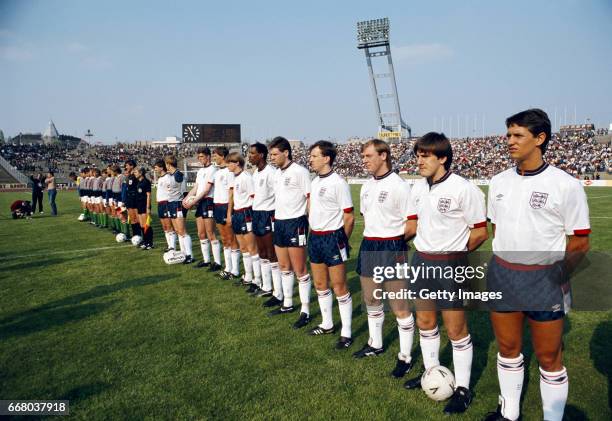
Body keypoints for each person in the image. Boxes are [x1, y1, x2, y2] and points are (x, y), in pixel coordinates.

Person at [483, 109, 591, 421]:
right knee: (507, 348)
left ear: (540, 139)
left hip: (544, 280)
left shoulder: (565, 184)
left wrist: (558, 275)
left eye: (518, 135)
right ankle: (509, 413)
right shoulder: (499, 181)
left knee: (548, 356)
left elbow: (581, 242)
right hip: (504, 275)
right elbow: (497, 229)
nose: (510, 141)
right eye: (508, 135)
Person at [402, 132, 488, 415]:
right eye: (418, 155)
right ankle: (431, 372)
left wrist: (457, 254)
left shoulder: (464, 189)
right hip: (422, 261)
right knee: (425, 321)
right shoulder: (418, 188)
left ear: (443, 158)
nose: (419, 161)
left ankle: (462, 388)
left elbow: (480, 231)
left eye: (425, 156)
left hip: (451, 265)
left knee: (455, 329)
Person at [352, 139, 418, 365]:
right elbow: (367, 218)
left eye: (368, 156)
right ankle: (375, 344)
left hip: (392, 246)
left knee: (399, 305)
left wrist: (396, 244)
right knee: (371, 298)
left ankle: (406, 356)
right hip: (369, 244)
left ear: (383, 156)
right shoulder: (366, 186)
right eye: (363, 157)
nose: (364, 161)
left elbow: (412, 225)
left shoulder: (400, 186)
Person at [307, 141, 355, 349]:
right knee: (319, 284)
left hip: (333, 238)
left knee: (339, 286)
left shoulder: (338, 183)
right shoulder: (314, 182)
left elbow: (349, 217)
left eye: (315, 156)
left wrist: (342, 240)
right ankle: (327, 324)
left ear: (326, 158)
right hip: (315, 237)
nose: (311, 159)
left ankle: (346, 332)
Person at [267, 136, 312, 330]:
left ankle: (306, 311)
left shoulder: (300, 172)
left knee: (300, 268)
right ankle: (287, 303)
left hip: (296, 223)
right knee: (284, 265)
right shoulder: (276, 173)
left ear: (286, 153)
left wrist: (309, 220)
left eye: (275, 154)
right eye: (270, 155)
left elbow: (309, 198)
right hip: (280, 222)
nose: (272, 158)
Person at [248, 142, 282, 301]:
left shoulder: (272, 172)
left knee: (271, 253)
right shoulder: (255, 173)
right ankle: (266, 286)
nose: (249, 156)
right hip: (257, 214)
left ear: (261, 155)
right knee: (261, 253)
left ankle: (279, 292)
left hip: (269, 214)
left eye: (252, 153)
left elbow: (278, 195)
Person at [226, 152, 261, 292]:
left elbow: (254, 197)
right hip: (237, 214)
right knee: (243, 248)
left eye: (230, 162)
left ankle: (257, 280)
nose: (228, 165)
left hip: (246, 213)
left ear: (237, 163)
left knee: (252, 248)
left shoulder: (246, 177)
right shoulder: (234, 177)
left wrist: (253, 216)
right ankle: (248, 276)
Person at [183, 147, 222, 270]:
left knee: (211, 233)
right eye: (198, 157)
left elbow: (206, 190)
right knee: (201, 233)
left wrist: (194, 200)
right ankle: (206, 260)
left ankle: (217, 262)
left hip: (208, 202)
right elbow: (196, 187)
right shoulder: (200, 171)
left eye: (202, 156)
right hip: (200, 202)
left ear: (208, 156)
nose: (200, 159)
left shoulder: (213, 170)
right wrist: (186, 198)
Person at [212, 147, 241, 279]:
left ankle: (235, 270)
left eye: (216, 156)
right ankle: (228, 268)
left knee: (231, 239)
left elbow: (231, 193)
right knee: (224, 239)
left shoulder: (229, 173)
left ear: (223, 156)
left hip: (225, 207)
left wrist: (229, 212)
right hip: (217, 206)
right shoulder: (218, 172)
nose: (214, 158)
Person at [165, 155, 194, 263]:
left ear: (168, 164)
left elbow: (184, 192)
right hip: (171, 204)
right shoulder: (171, 175)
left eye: (166, 164)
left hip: (178, 204)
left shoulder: (178, 175)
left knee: (182, 231)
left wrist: (186, 204)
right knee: (177, 230)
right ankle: (183, 253)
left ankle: (190, 255)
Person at [154, 159, 177, 252]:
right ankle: (169, 246)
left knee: (169, 226)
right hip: (160, 204)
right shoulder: (160, 178)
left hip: (167, 203)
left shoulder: (168, 177)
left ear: (161, 167)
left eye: (156, 167)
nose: (155, 169)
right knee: (164, 227)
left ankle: (173, 246)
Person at [134, 167, 153, 250]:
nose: (134, 173)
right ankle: (145, 241)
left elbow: (148, 195)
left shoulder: (146, 182)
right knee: (142, 225)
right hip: (139, 205)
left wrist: (148, 207)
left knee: (146, 224)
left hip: (144, 205)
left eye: (136, 172)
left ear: (141, 173)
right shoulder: (139, 182)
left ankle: (150, 243)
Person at [124, 160, 142, 240]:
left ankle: (140, 235)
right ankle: (135, 235)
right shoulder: (129, 175)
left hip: (135, 198)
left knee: (138, 218)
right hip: (129, 198)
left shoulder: (136, 174)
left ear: (132, 166)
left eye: (127, 165)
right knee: (132, 219)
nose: (126, 167)